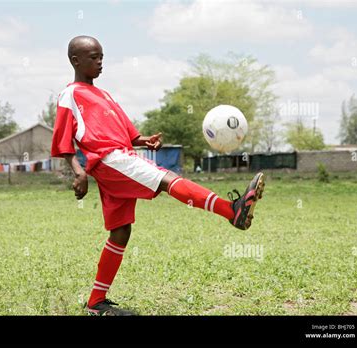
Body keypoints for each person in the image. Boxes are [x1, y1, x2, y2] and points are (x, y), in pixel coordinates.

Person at [51, 35, 265, 316]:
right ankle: (231, 211)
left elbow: (127, 134)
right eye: (93, 57)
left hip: (120, 157)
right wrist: (78, 172)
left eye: (102, 56)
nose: (100, 62)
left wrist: (143, 141)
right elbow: (63, 139)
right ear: (75, 60)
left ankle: (96, 302)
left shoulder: (104, 95)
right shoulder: (71, 94)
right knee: (166, 179)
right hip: (110, 159)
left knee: (121, 231)